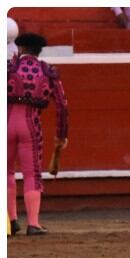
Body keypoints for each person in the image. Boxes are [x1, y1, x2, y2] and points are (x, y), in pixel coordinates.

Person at [7, 32, 68, 236]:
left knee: (5, 172)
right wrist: (61, 135)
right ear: (39, 51)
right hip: (31, 124)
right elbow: (62, 106)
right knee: (31, 173)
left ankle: (10, 221)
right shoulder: (48, 72)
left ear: (21, 49)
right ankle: (33, 223)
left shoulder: (8, 68)